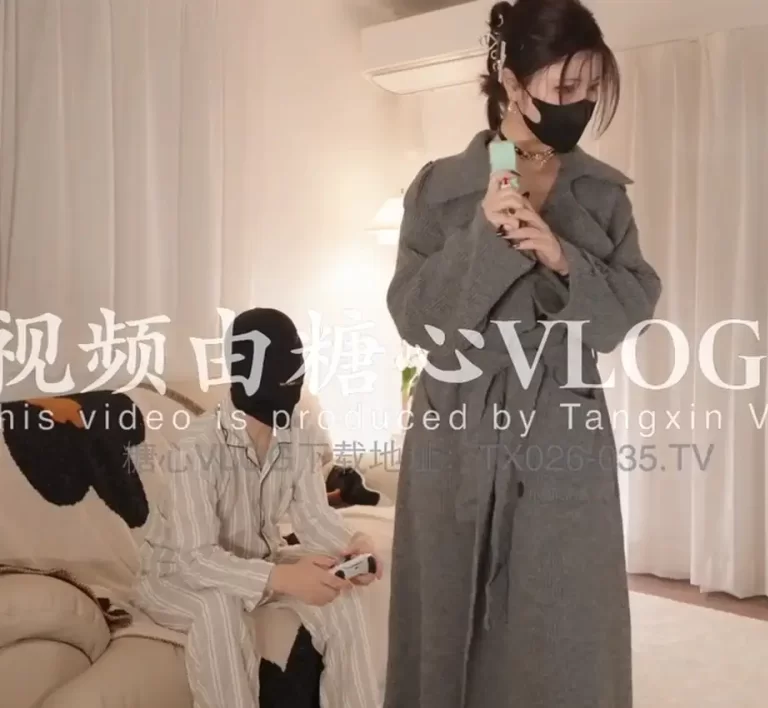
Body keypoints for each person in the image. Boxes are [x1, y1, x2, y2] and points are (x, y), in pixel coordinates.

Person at [383, 1, 662, 707]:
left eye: (591, 88)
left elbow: (631, 310)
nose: (580, 104)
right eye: (564, 87)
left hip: (561, 426)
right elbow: (415, 320)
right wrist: (484, 234)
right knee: (447, 617)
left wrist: (565, 259)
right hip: (456, 424)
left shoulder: (602, 195)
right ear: (511, 82)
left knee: (563, 625)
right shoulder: (440, 189)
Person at [134, 307, 383, 708]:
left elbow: (313, 515)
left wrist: (355, 543)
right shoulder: (196, 449)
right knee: (219, 608)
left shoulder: (298, 430)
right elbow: (195, 559)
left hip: (258, 559)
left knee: (341, 594)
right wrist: (282, 578)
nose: (293, 377)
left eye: (296, 361)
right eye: (281, 364)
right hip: (176, 575)